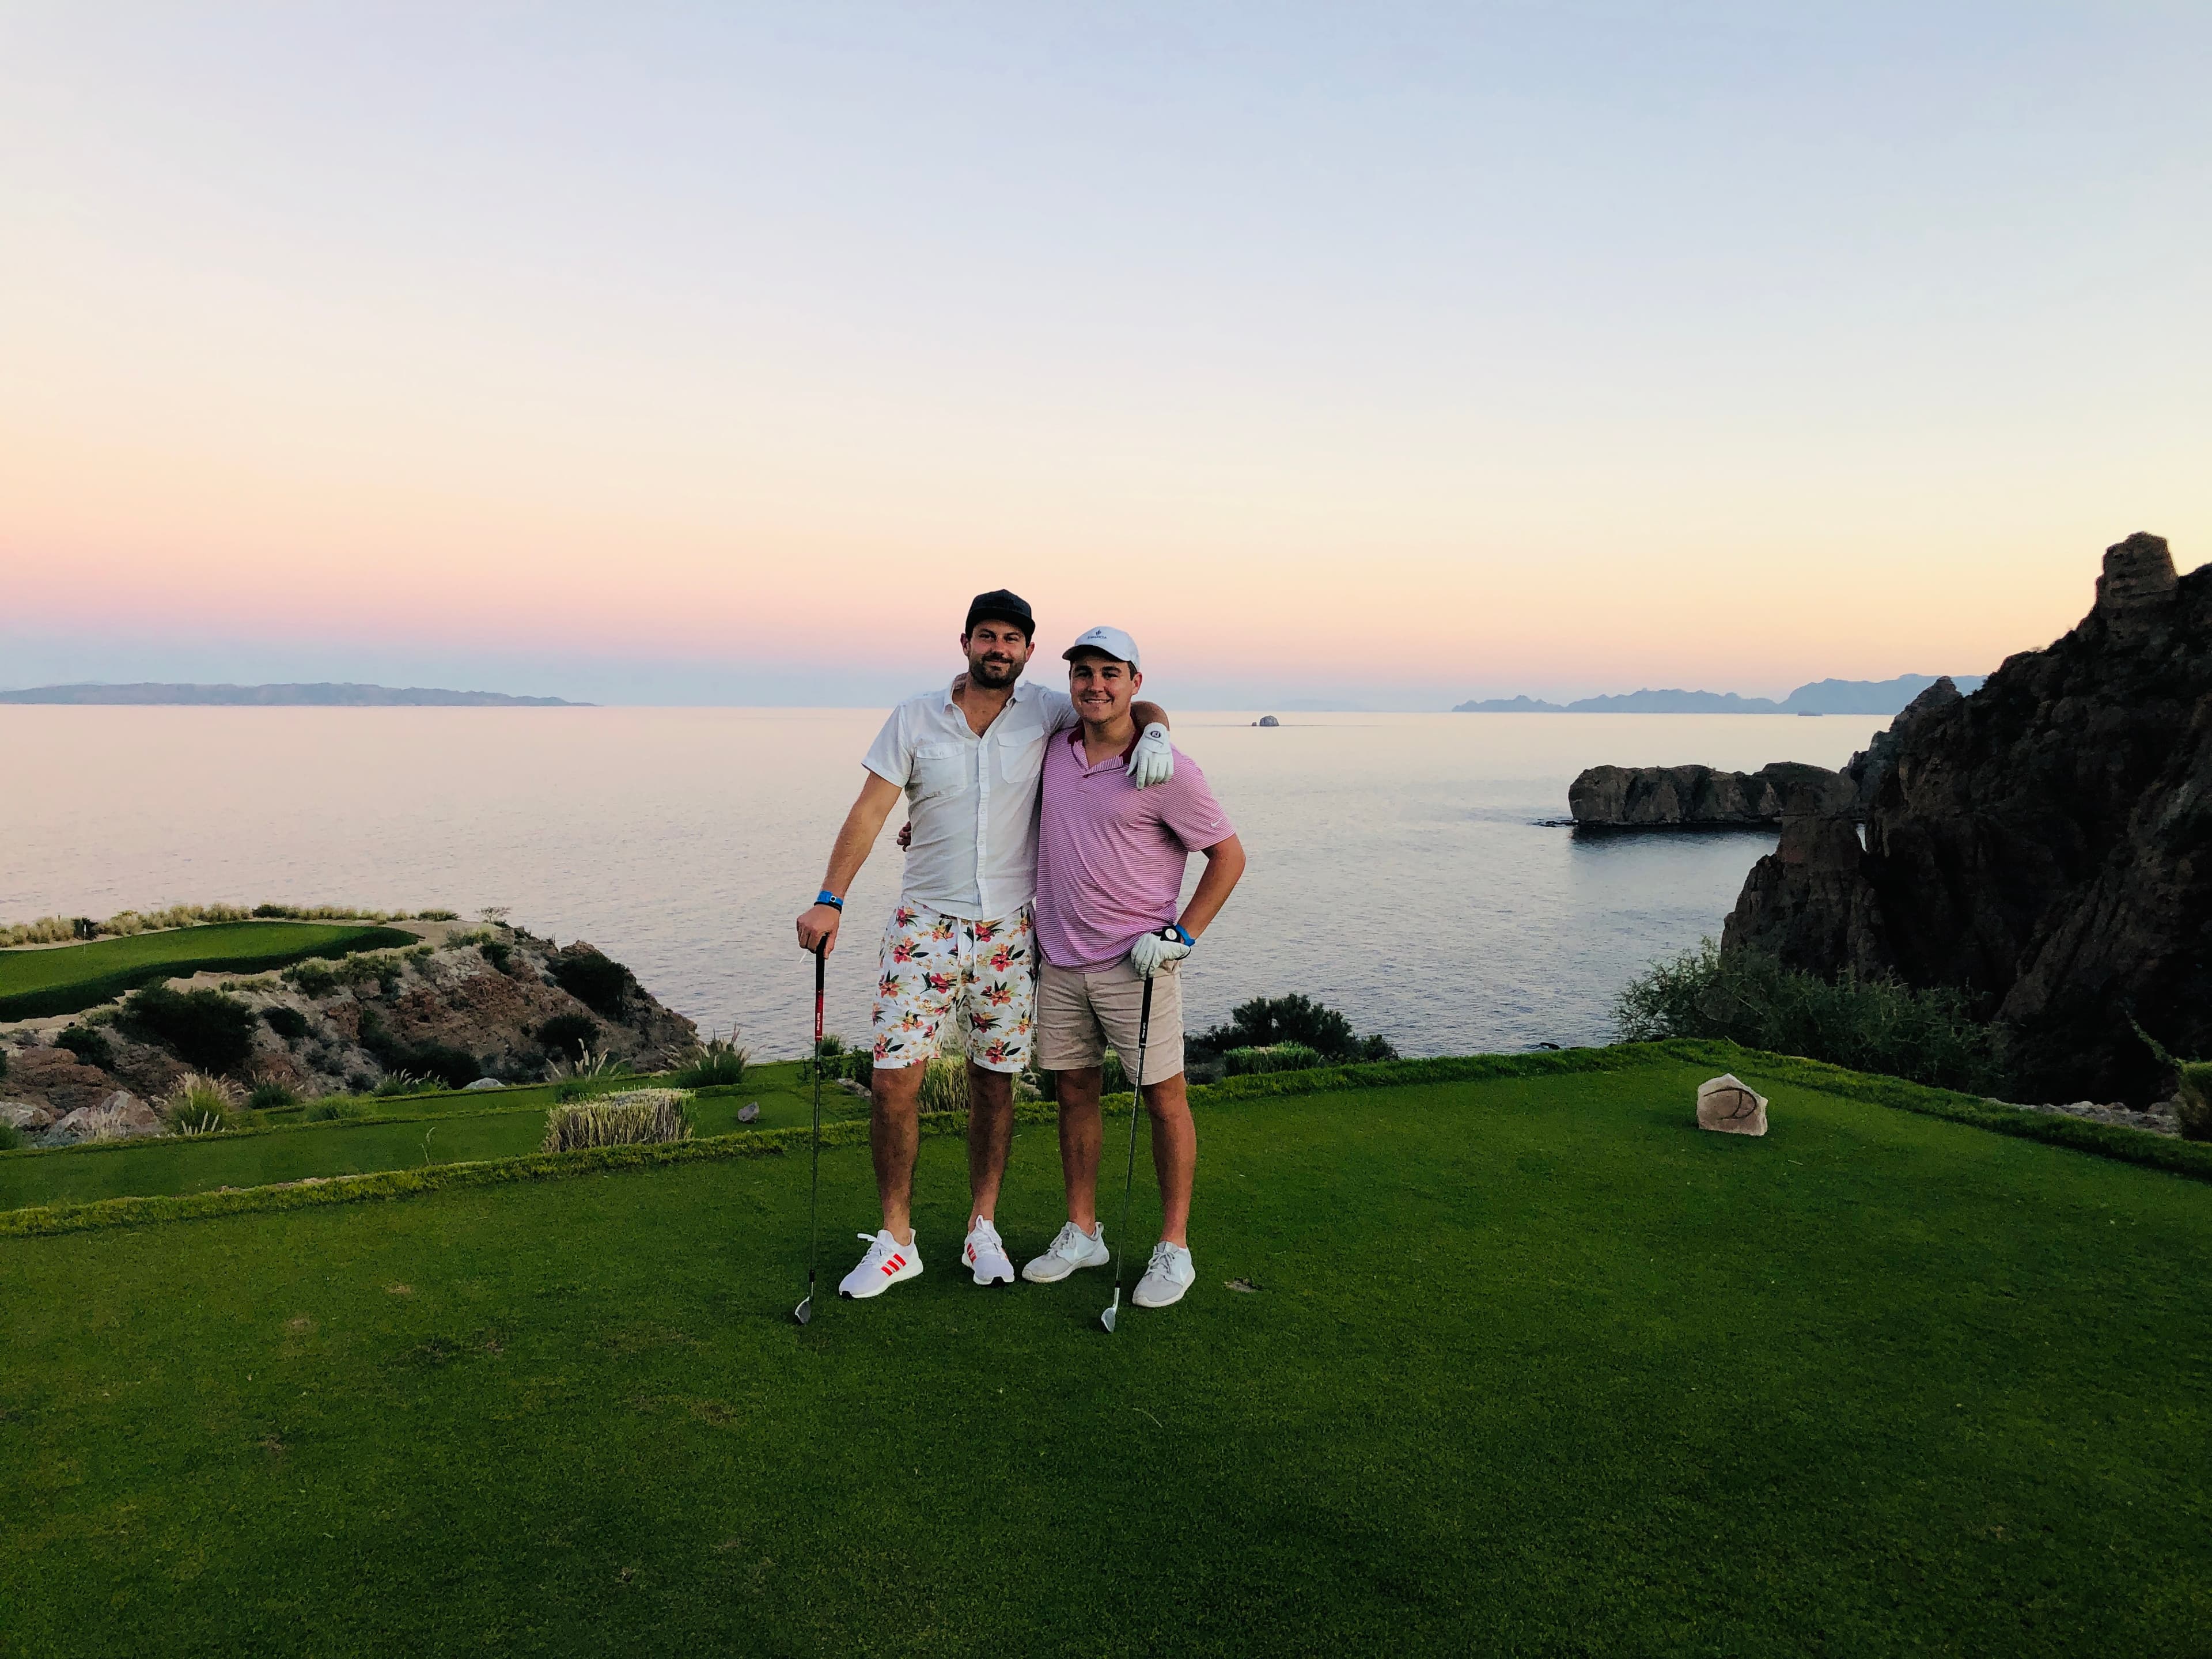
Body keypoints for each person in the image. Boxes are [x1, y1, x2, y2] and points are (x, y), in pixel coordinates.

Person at [794, 591, 1175, 1300]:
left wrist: (1157, 734)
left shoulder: (1047, 711)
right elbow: (871, 811)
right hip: (923, 924)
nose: (999, 648)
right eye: (987, 636)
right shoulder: (914, 716)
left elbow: (1127, 708)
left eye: (1012, 639)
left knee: (994, 1083)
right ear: (966, 642)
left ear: (1028, 651)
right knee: (893, 1081)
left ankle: (983, 1226)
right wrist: (830, 898)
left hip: (1009, 930)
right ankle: (897, 1240)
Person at [1022, 626, 1245, 1311]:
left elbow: (1229, 857)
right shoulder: (1055, 749)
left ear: (1135, 682)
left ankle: (1174, 1247)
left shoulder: (1168, 768)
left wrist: (1182, 935)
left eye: (1110, 673)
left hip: (1138, 968)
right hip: (1060, 960)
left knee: (1164, 1099)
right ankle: (1083, 1231)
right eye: (1083, 673)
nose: (1095, 685)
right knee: (1074, 1094)